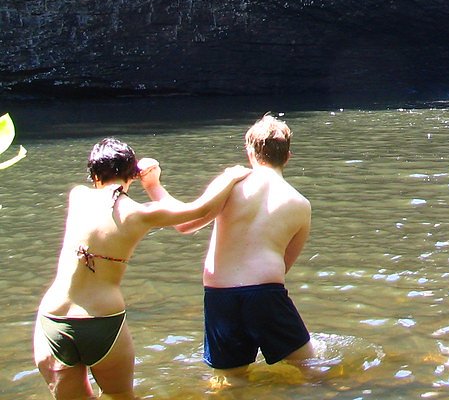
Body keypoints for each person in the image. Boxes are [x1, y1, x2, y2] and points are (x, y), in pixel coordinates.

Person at [33, 138, 250, 400]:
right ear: (130, 173)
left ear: (94, 174)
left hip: (53, 318)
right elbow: (199, 210)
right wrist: (229, 177)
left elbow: (108, 189)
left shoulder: (77, 195)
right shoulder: (140, 214)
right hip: (102, 320)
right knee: (119, 396)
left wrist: (133, 172)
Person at [146, 114, 315, 381]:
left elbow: (185, 224)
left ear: (250, 152)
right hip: (265, 293)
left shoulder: (231, 183)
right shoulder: (301, 204)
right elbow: (285, 264)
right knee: (309, 369)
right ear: (288, 157)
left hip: (219, 295)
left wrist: (153, 185)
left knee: (231, 381)